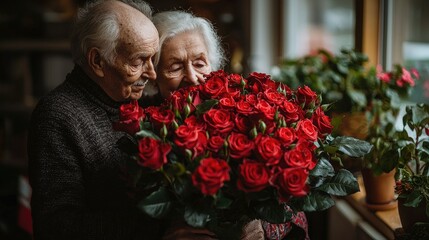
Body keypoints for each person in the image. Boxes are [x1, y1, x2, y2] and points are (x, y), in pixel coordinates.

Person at [143, 10, 309, 240]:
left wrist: (259, 226)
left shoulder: (246, 115)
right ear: (153, 74)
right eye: (175, 66)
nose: (192, 77)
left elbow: (287, 207)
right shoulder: (145, 130)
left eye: (199, 63)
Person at [27, 1, 163, 239]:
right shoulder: (58, 115)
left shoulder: (137, 101)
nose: (152, 73)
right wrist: (160, 227)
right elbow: (57, 228)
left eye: (154, 58)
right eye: (139, 60)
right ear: (98, 61)